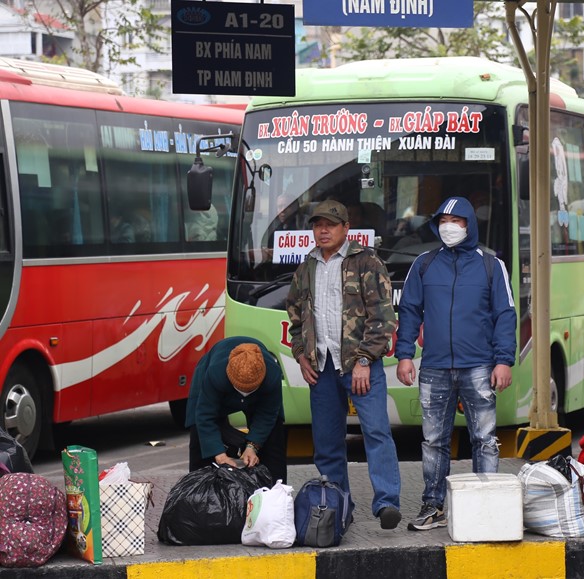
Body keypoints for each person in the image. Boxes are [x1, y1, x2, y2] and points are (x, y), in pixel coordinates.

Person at [395, 196, 517, 531]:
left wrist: (503, 361)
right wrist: (404, 354)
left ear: (469, 224)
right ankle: (433, 506)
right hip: (433, 367)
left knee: (485, 438)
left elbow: (505, 316)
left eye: (457, 220)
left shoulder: (492, 266)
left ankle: (486, 504)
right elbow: (408, 312)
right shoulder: (423, 264)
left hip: (479, 365)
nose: (449, 226)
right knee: (433, 440)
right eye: (443, 220)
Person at [285, 199, 403, 530]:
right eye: (317, 225)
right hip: (321, 366)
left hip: (360, 365)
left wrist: (365, 360)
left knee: (377, 432)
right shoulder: (306, 267)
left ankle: (387, 503)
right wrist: (299, 354)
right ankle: (338, 507)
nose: (322, 230)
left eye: (330, 225)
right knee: (326, 444)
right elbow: (294, 316)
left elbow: (383, 317)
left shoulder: (366, 261)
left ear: (345, 228)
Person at [185, 337, 287, 483]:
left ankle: (275, 492)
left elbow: (267, 414)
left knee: (274, 434)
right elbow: (205, 416)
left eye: (250, 390)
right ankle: (199, 492)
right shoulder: (215, 374)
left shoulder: (272, 375)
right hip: (217, 382)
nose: (244, 395)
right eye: (240, 389)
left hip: (261, 396)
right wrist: (219, 454)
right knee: (198, 433)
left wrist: (252, 446)